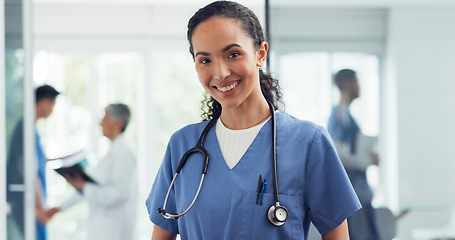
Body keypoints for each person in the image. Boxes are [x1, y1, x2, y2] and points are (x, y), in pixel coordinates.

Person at [145, 1, 361, 239]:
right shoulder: (182, 146)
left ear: (260, 54)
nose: (220, 73)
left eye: (233, 54)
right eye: (205, 60)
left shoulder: (308, 143)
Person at [47, 103, 138, 240]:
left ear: (117, 125)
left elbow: (120, 194)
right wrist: (59, 208)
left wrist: (84, 186)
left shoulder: (123, 152)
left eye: (104, 119)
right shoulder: (114, 151)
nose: (100, 124)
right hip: (104, 227)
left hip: (115, 228)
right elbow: (90, 188)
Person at [327, 69, 380, 240]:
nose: (359, 86)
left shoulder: (346, 115)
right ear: (347, 85)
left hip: (359, 189)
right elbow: (340, 155)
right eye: (356, 82)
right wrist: (366, 161)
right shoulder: (340, 115)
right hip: (353, 190)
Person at [7, 84, 60, 240]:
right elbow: (29, 170)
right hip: (27, 203)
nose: (52, 110)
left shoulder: (31, 129)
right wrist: (40, 207)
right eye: (52, 105)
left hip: (31, 202)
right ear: (44, 102)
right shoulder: (25, 130)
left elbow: (37, 162)